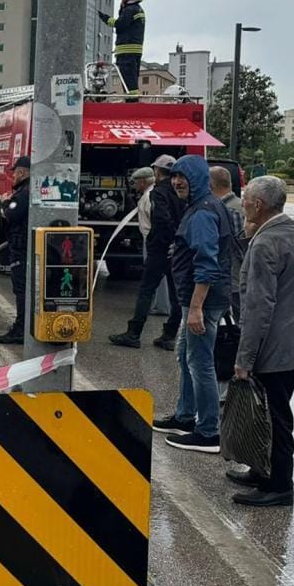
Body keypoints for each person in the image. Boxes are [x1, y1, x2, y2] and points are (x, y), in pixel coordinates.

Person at [226, 176, 294, 507]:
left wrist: (244, 359)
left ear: (258, 205)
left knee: (274, 417)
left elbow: (258, 307)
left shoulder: (265, 244)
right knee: (269, 413)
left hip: (272, 345)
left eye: (246, 198)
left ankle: (279, 486)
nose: (243, 202)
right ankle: (262, 471)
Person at [152, 155, 235, 454]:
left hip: (202, 302)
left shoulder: (202, 213)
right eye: (174, 177)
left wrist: (197, 307)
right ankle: (185, 416)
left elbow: (207, 263)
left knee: (200, 363)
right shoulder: (206, 206)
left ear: (198, 179)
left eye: (182, 178)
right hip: (195, 300)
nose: (176, 182)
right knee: (185, 357)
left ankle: (208, 430)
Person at [110, 155, 184, 350]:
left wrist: (158, 242)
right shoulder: (181, 191)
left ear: (157, 172)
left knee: (146, 290)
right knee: (176, 294)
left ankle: (133, 333)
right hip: (178, 249)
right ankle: (169, 335)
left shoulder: (158, 193)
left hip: (160, 249)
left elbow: (161, 221)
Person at [0, 156, 30, 344]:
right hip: (26, 247)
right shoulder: (31, 189)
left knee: (21, 289)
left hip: (21, 248)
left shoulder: (23, 193)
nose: (13, 176)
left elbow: (11, 215)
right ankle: (25, 326)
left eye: (15, 172)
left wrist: (5, 203)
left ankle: (21, 330)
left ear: (22, 172)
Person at [211, 166, 246, 322]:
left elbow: (238, 247)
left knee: (239, 320)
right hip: (237, 277)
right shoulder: (239, 205)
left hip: (234, 277)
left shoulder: (229, 210)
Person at [101, 0, 145, 98]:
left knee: (128, 80)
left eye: (122, 0)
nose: (121, 2)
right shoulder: (139, 9)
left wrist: (106, 19)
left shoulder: (130, 10)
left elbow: (120, 24)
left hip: (126, 52)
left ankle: (131, 102)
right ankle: (132, 100)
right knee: (132, 79)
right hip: (135, 51)